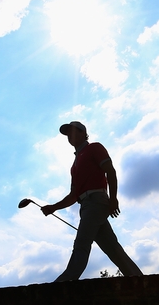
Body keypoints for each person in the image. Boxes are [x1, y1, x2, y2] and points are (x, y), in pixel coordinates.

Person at [41, 121, 143, 282]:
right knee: (112, 248)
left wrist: (113, 198)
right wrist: (53, 207)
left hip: (96, 202)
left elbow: (110, 171)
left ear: (83, 133)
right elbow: (73, 195)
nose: (70, 136)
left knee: (81, 243)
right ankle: (137, 278)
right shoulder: (74, 165)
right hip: (87, 205)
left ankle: (65, 281)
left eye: (73, 132)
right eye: (68, 134)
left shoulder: (94, 148)